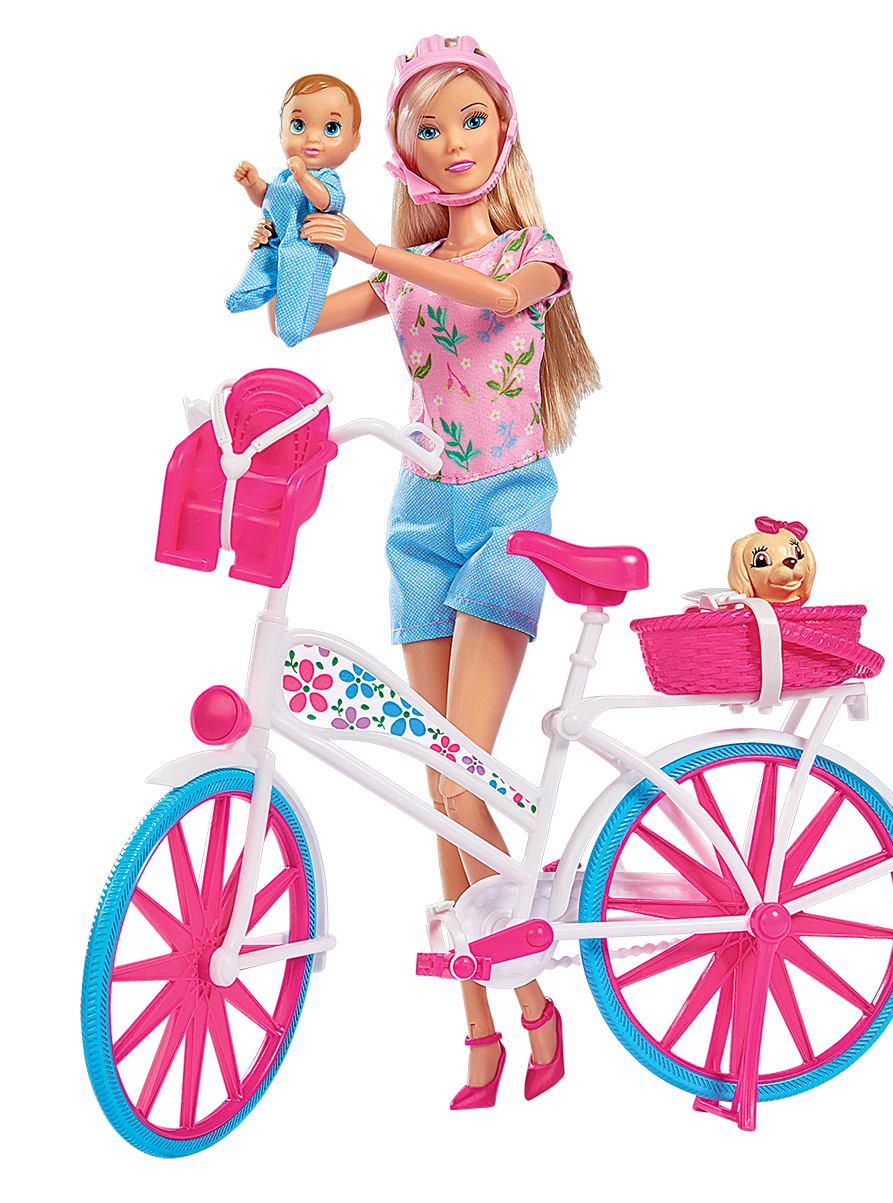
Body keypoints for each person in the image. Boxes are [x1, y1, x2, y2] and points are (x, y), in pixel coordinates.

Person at [257, 35, 599, 1108]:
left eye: (471, 120)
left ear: (503, 130)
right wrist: (289, 235)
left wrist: (375, 249)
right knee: (432, 784)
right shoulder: (398, 265)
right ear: (402, 151)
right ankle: (480, 1023)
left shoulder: (533, 252)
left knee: (461, 771)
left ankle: (527, 1005)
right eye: (428, 128)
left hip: (506, 518)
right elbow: (294, 326)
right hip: (416, 521)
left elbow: (485, 297)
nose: (453, 143)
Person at [226, 74, 360, 347]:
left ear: (354, 140)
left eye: (331, 128)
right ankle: (252, 288)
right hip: (276, 239)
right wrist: (253, 184)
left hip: (307, 246)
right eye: (298, 125)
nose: (313, 138)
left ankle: (292, 324)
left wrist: (303, 176)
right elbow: (268, 198)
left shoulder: (326, 178)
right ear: (281, 132)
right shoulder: (283, 177)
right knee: (264, 257)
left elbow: (327, 202)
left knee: (297, 279)